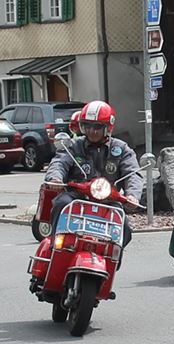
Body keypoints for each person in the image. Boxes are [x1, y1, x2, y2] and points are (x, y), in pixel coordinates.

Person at [43, 100, 144, 250]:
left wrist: (133, 195)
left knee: (125, 229)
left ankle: (112, 257)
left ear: (108, 127)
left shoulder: (121, 149)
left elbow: (132, 173)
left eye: (97, 127)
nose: (92, 131)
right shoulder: (73, 145)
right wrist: (55, 178)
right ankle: (55, 247)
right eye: (87, 126)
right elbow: (59, 162)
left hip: (108, 200)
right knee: (61, 204)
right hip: (76, 196)